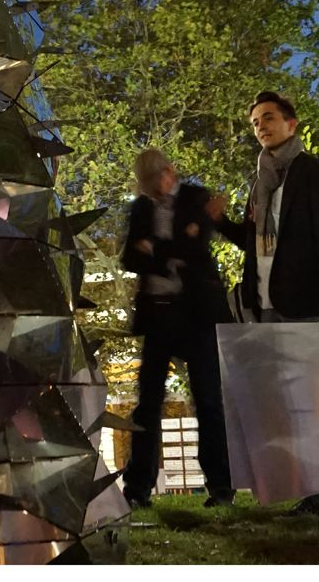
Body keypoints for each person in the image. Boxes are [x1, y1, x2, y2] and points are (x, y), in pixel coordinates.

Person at [217, 92, 319, 520]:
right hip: (268, 308)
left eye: (268, 118)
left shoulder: (311, 171)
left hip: (305, 305)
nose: (260, 127)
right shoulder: (262, 182)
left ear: (292, 124)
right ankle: (316, 497)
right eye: (254, 122)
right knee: (293, 410)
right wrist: (218, 222)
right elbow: (255, 247)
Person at [118, 149, 234, 509]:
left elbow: (197, 248)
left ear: (169, 173)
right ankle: (138, 487)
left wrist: (155, 249)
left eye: (155, 184)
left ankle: (220, 486)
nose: (152, 192)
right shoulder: (140, 208)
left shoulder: (196, 198)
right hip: (157, 315)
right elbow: (128, 258)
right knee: (147, 404)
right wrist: (174, 248)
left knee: (208, 400)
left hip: (196, 314)